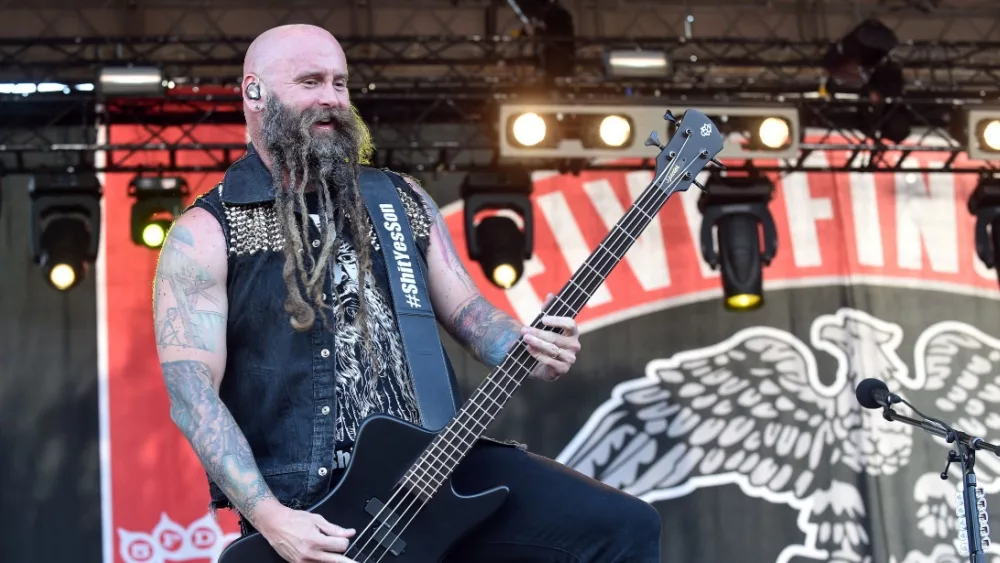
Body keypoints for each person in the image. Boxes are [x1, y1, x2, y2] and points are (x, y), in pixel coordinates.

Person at [153, 23, 662, 563]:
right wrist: (270, 518)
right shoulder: (208, 231)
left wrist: (524, 347)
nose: (331, 98)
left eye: (340, 83)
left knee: (623, 525)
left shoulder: (398, 199)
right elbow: (192, 395)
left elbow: (467, 311)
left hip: (439, 465)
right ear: (254, 92)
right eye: (310, 81)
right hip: (317, 501)